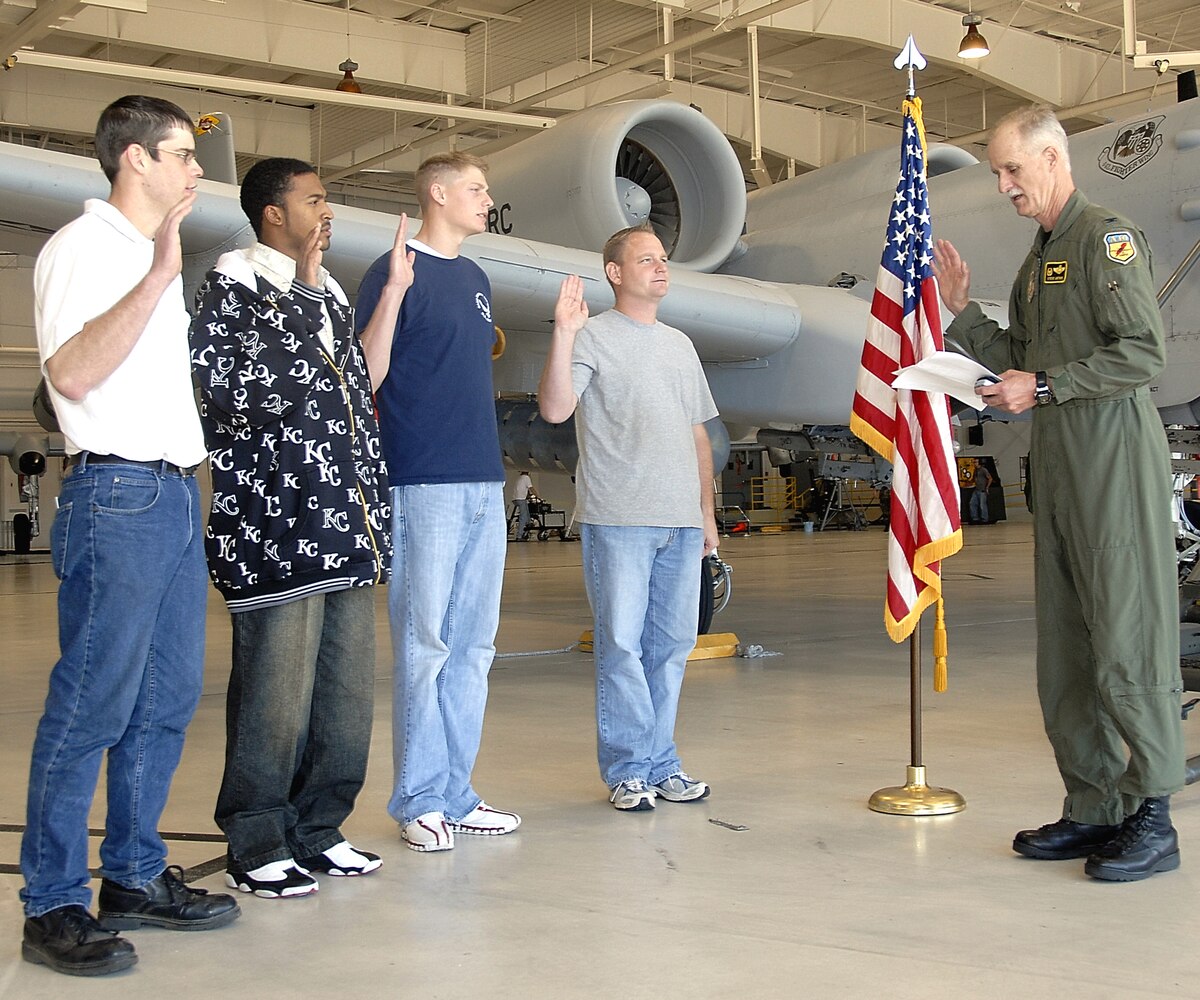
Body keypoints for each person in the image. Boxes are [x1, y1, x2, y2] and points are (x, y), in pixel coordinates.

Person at [933, 104, 1184, 882]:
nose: (1003, 185)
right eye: (998, 172)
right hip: (1062, 472)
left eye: (1012, 169)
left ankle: (1152, 813)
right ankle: (1095, 804)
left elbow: (1143, 352)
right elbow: (1022, 356)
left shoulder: (1106, 240)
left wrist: (1043, 387)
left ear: (1050, 158)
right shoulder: (1039, 259)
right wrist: (962, 314)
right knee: (1068, 652)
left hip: (1112, 466)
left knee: (1127, 642)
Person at [20, 95, 240, 978]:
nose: (196, 168)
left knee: (166, 699)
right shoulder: (84, 248)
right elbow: (70, 375)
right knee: (92, 704)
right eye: (182, 152)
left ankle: (135, 876)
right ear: (135, 159)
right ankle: (52, 902)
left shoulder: (147, 252)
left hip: (174, 493)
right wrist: (158, 278)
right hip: (116, 493)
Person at [190, 159, 411, 897]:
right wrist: (305, 292)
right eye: (314, 200)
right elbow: (245, 392)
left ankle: (319, 828)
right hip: (277, 531)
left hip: (345, 527)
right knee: (274, 698)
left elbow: (351, 392)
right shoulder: (235, 283)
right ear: (273, 213)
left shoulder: (330, 291)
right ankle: (256, 839)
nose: (327, 212)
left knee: (344, 698)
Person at [355, 152, 520, 852]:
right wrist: (394, 291)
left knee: (474, 647)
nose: (487, 198)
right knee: (425, 645)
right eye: (476, 188)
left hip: (483, 479)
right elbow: (366, 373)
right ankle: (418, 799)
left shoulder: (477, 278)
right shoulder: (391, 270)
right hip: (423, 481)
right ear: (438, 193)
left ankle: (455, 793)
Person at [538, 223, 720, 812]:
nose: (661, 267)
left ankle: (661, 763)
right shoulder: (593, 337)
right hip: (619, 518)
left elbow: (698, 435)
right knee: (621, 645)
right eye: (646, 259)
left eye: (663, 258)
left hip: (681, 522)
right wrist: (564, 334)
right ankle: (628, 769)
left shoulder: (680, 345)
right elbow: (555, 408)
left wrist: (706, 515)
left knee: (671, 647)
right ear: (615, 273)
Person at [969, 458, 993, 524]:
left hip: (982, 490)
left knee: (982, 505)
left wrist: (987, 487)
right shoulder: (975, 470)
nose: (974, 464)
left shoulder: (983, 470)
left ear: (979, 463)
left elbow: (990, 478)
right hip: (976, 489)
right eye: (974, 462)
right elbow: (973, 479)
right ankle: (975, 518)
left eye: (976, 462)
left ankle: (985, 519)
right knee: (972, 503)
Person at [513, 470, 533, 540]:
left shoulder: (519, 478)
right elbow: (531, 488)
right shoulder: (526, 477)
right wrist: (538, 495)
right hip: (521, 499)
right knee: (523, 517)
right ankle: (519, 536)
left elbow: (522, 489)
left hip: (516, 499)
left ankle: (529, 522)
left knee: (526, 510)